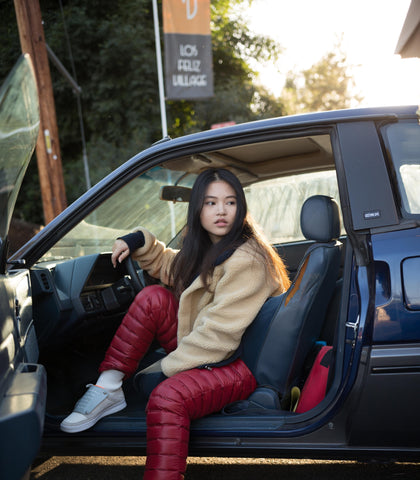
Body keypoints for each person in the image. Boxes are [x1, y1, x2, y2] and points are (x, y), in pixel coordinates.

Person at [60, 168, 290, 479]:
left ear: (241, 207)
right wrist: (137, 240)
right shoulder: (214, 248)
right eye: (210, 203)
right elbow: (172, 265)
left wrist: (162, 371)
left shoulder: (246, 260)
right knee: (153, 297)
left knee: (166, 397)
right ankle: (108, 387)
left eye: (230, 202)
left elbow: (218, 336)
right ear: (197, 209)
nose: (221, 211)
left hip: (239, 363)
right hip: (217, 352)